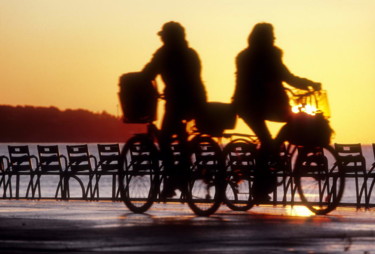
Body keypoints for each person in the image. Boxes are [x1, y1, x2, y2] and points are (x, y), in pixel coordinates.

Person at [232, 22, 321, 201]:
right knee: (266, 141)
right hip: (249, 105)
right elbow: (284, 77)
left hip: (268, 104)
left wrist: (306, 83)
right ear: (264, 37)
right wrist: (307, 83)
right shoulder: (253, 57)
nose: (274, 38)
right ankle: (259, 189)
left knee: (292, 122)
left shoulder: (264, 54)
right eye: (271, 35)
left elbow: (285, 76)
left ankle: (275, 149)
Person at [142, 21, 207, 198]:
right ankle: (181, 173)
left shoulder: (164, 53)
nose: (161, 38)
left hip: (177, 101)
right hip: (197, 99)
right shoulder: (191, 53)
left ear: (167, 37)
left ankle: (172, 178)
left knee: (163, 139)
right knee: (182, 137)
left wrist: (138, 81)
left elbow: (148, 73)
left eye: (163, 35)